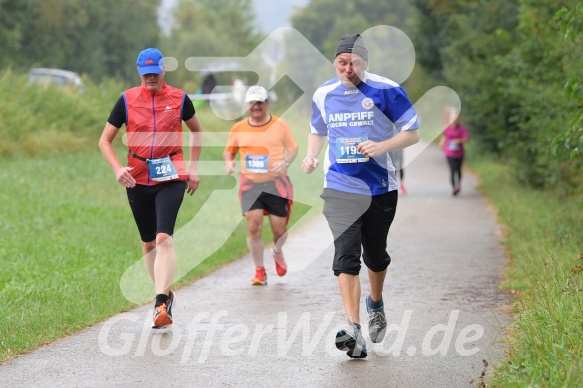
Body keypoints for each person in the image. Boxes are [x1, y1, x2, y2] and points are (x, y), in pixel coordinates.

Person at [301, 34, 420, 358]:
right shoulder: (324, 93)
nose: (348, 68)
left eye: (354, 62)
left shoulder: (386, 90)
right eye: (342, 62)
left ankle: (376, 304)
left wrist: (382, 146)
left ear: (365, 63)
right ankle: (353, 329)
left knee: (376, 255)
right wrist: (313, 155)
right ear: (335, 62)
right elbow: (317, 130)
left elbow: (412, 132)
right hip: (340, 187)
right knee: (346, 254)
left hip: (380, 187)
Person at [99, 48, 203, 329]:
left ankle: (159, 303)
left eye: (155, 72)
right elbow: (105, 141)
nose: (150, 78)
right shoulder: (127, 100)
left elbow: (197, 131)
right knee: (148, 243)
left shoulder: (180, 99)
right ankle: (165, 292)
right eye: (146, 74)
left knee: (163, 239)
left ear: (163, 70)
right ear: (139, 73)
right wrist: (118, 169)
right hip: (137, 177)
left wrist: (192, 167)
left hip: (171, 175)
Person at [224, 85, 298, 286]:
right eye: (252, 103)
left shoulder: (280, 125)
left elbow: (293, 149)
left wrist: (285, 163)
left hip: (275, 183)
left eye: (260, 102)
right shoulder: (238, 128)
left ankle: (277, 251)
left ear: (266, 103)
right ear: (247, 105)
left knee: (279, 229)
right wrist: (229, 162)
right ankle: (259, 270)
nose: (256, 106)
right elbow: (229, 151)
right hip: (251, 184)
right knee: (253, 224)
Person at [438, 116, 469, 196]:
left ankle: (458, 184)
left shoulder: (461, 128)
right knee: (452, 170)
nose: (454, 123)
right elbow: (444, 137)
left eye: (455, 121)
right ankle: (454, 187)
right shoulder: (447, 128)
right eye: (452, 121)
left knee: (458, 169)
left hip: (459, 153)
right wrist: (441, 144)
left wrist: (458, 140)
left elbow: (466, 138)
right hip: (449, 153)